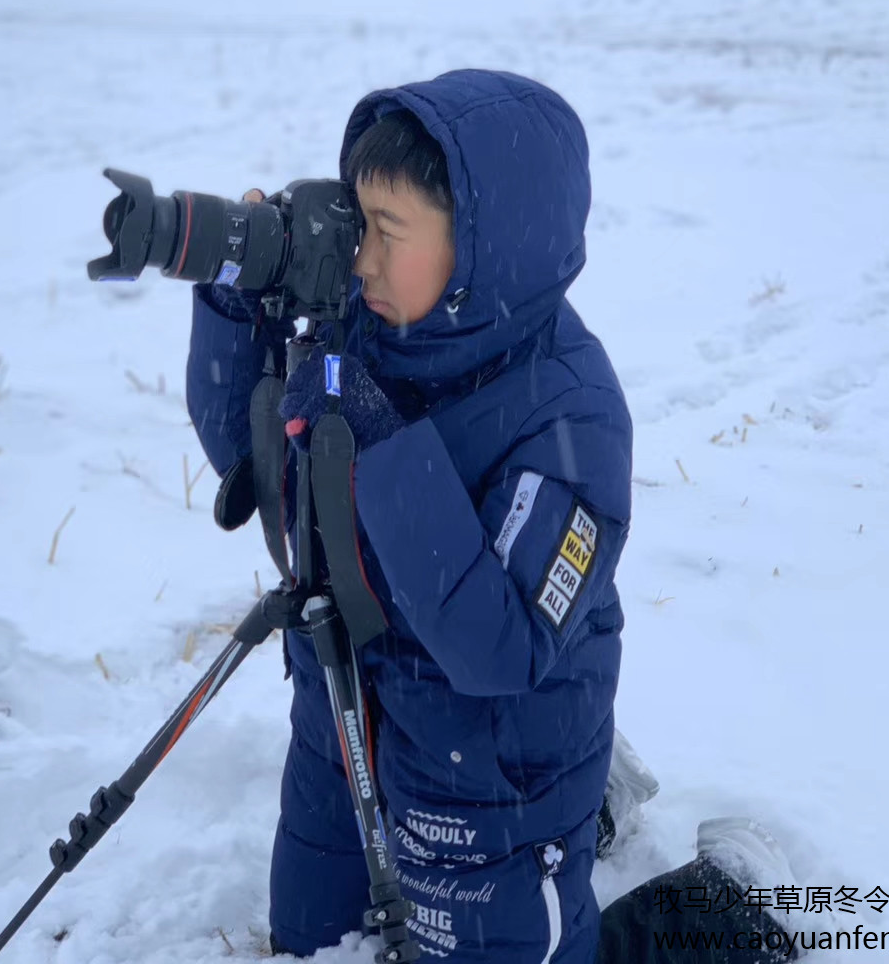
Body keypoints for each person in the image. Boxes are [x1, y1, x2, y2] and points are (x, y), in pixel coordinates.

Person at [185, 70, 798, 963]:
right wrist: (237, 307)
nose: (361, 258)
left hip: (493, 763)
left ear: (481, 252)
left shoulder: (570, 418)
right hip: (342, 716)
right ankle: (595, 808)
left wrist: (383, 442)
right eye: (360, 225)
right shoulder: (360, 324)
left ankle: (724, 901)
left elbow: (498, 648)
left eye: (388, 233)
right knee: (308, 945)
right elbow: (246, 460)